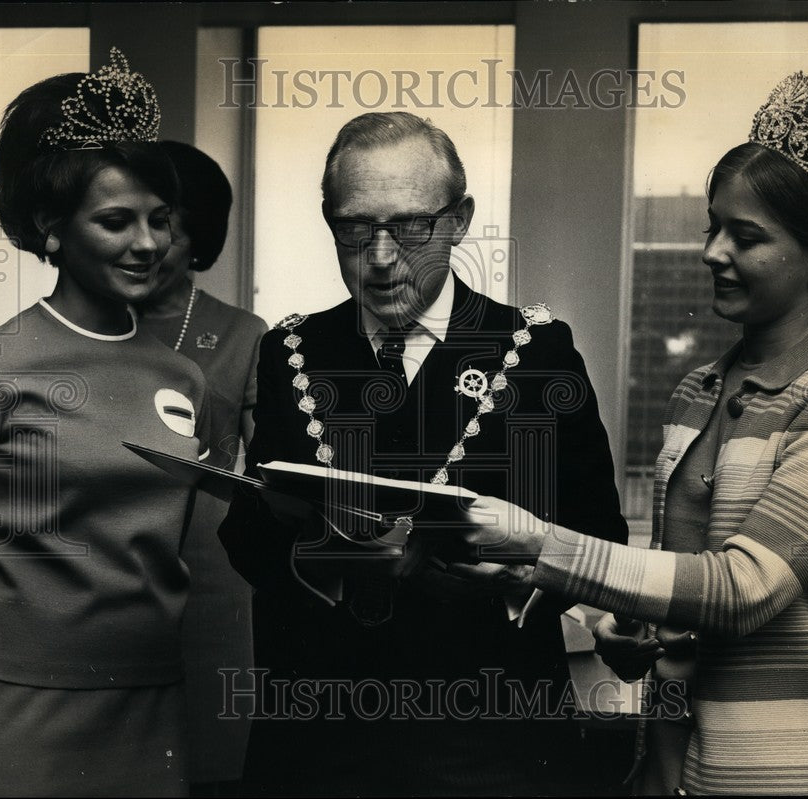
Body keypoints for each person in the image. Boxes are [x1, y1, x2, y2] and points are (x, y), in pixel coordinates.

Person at [454, 72, 808, 795]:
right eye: (713, 226)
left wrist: (541, 545)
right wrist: (632, 631)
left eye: (747, 237)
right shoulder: (698, 390)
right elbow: (690, 608)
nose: (712, 252)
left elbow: (740, 590)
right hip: (664, 768)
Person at [217, 111, 629, 795]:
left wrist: (514, 579)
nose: (381, 257)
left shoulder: (534, 351)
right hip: (323, 740)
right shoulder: (291, 351)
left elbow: (601, 538)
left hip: (493, 738)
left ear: (459, 220)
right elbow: (251, 537)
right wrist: (324, 553)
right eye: (355, 227)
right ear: (330, 221)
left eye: (410, 226)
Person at [0, 50, 210, 796]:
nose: (149, 244)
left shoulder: (183, 377)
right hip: (10, 703)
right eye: (117, 222)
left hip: (146, 703)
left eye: (161, 220)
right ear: (51, 229)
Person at [136, 140, 267, 792]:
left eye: (164, 220)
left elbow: (271, 474)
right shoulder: (74, 329)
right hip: (99, 571)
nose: (143, 238)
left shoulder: (245, 333)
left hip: (212, 581)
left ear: (199, 233)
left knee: (212, 764)